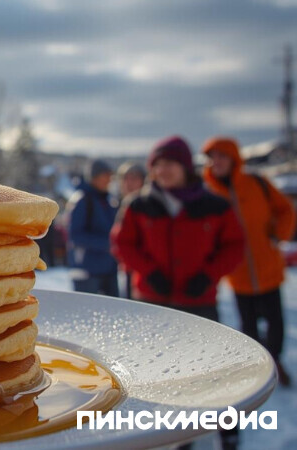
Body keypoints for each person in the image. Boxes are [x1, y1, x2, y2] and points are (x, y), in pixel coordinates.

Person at [112, 136, 245, 449]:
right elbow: (122, 243)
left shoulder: (215, 205)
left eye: (170, 163)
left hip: (199, 302)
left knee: (210, 370)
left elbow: (235, 245)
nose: (163, 170)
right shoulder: (138, 204)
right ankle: (177, 433)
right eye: (157, 164)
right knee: (160, 372)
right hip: (152, 303)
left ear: (185, 166)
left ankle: (227, 428)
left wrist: (208, 275)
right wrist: (149, 272)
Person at [202, 136, 296, 387]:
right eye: (212, 157)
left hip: (268, 267)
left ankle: (275, 361)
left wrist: (278, 235)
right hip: (239, 273)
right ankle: (259, 368)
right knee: (249, 325)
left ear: (234, 158)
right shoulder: (209, 193)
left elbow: (286, 209)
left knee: (276, 322)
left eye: (222, 156)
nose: (216, 162)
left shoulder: (256, 183)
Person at [66, 159, 119, 296]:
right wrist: (107, 244)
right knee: (87, 308)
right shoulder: (82, 200)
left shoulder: (108, 200)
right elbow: (75, 236)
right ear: (95, 177)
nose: (109, 180)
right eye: (106, 175)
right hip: (87, 271)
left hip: (109, 268)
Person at [116, 162, 147, 298]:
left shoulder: (150, 206)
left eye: (134, 178)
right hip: (124, 268)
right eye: (125, 179)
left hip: (145, 270)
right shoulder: (115, 204)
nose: (129, 183)